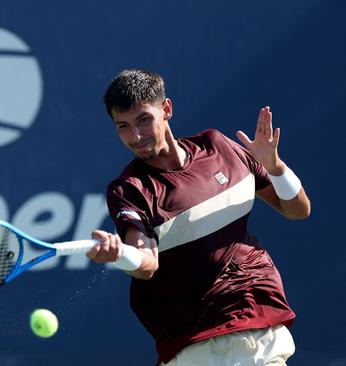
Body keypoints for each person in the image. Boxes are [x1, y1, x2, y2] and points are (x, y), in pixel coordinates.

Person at [86, 69, 311, 366]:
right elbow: (146, 262)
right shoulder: (130, 189)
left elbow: (297, 209)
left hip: (254, 326)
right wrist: (122, 255)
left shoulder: (219, 147)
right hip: (194, 345)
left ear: (166, 110)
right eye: (123, 127)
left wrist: (276, 169)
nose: (135, 136)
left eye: (143, 120)